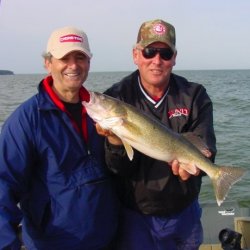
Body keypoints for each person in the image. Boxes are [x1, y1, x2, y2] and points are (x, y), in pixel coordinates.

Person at [97, 19, 217, 250]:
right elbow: (117, 169)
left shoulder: (195, 95)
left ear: (174, 57)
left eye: (165, 53)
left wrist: (200, 166)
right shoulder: (117, 97)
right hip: (135, 215)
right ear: (136, 54)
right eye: (149, 51)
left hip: (183, 214)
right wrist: (115, 141)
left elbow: (206, 150)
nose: (157, 61)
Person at [0, 26, 119, 249]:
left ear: (89, 63)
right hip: (53, 243)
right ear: (48, 63)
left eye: (80, 57)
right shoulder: (26, 120)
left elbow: (119, 171)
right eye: (64, 57)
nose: (73, 65)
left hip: (108, 240)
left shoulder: (103, 112)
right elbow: (3, 187)